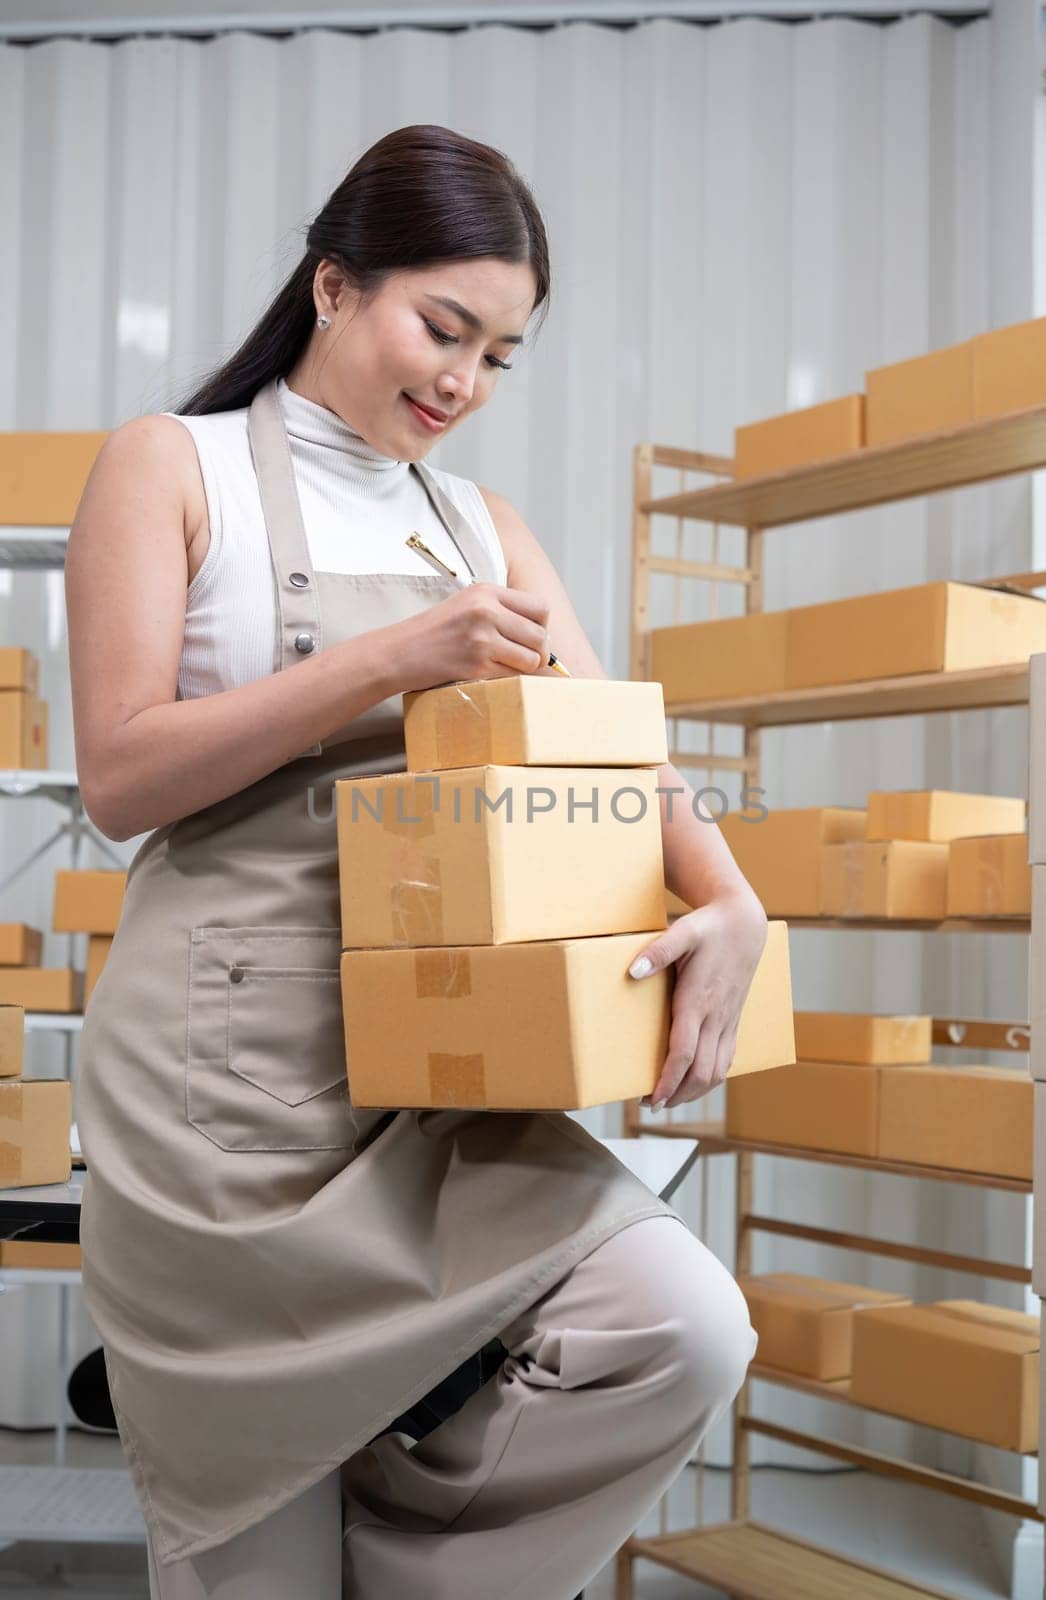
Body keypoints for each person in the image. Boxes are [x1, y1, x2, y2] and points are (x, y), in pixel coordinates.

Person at [65, 123, 764, 1600]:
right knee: (255, 1551)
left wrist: (727, 887)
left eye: (502, 356)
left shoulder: (480, 527)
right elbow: (122, 773)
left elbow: (615, 749)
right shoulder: (172, 468)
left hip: (434, 1090)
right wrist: (404, 654)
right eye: (443, 327)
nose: (464, 382)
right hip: (223, 1101)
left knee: (679, 1324)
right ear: (333, 288)